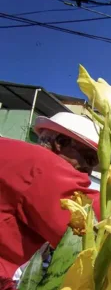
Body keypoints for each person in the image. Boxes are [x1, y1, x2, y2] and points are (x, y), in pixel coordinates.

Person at [0, 112, 101, 277]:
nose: (88, 171)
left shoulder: (14, 152)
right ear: (61, 143)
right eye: (89, 159)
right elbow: (86, 225)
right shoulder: (42, 165)